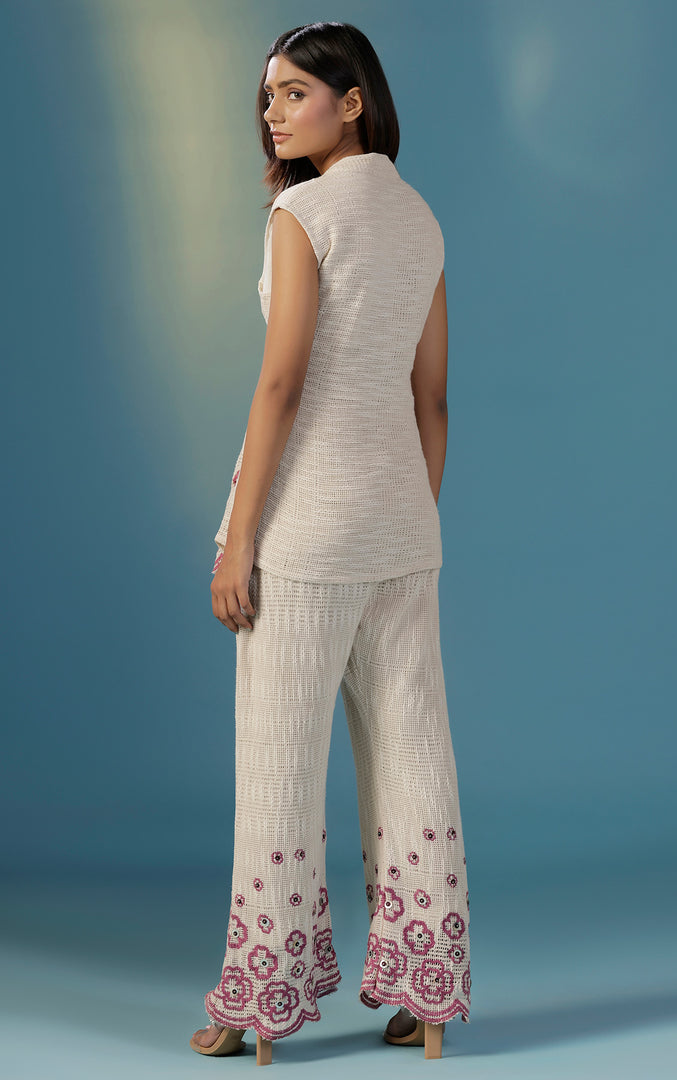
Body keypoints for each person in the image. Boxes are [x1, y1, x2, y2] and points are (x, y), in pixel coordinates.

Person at [189, 21, 471, 1065]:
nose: (273, 111)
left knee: (279, 760)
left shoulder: (302, 212)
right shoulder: (420, 217)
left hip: (304, 528)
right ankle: (426, 994)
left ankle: (257, 1003)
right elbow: (432, 398)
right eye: (267, 94)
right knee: (413, 753)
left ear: (354, 102)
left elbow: (281, 382)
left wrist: (239, 543)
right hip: (402, 523)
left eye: (295, 92)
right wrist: (405, 512)